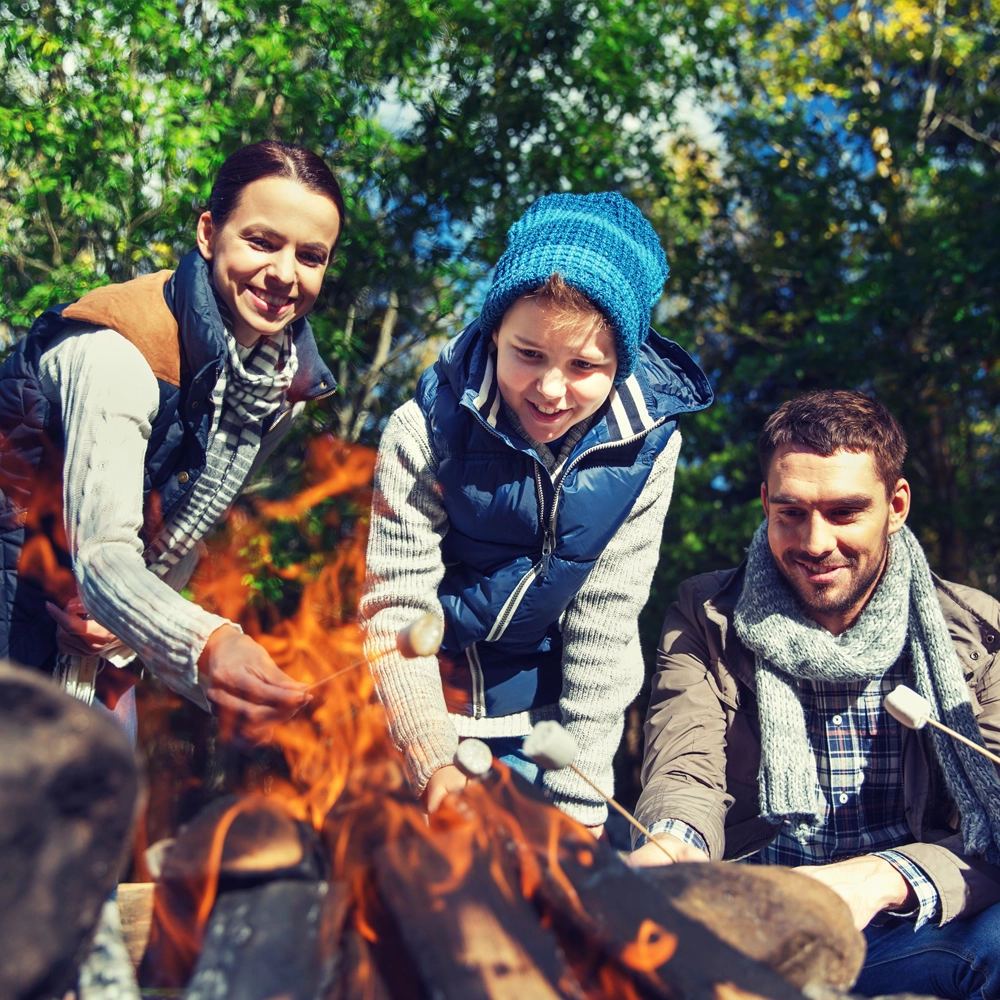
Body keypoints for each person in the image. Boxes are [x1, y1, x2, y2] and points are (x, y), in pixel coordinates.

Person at [360, 192, 713, 835]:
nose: (551, 390)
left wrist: (578, 807)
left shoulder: (648, 449)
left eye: (584, 366)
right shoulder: (423, 430)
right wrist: (434, 763)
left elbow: (605, 625)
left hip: (544, 724)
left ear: (622, 363)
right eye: (528, 354)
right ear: (495, 331)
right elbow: (397, 610)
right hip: (416, 711)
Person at [631, 390, 1000, 999]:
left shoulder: (978, 633)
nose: (815, 542)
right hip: (747, 925)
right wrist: (671, 848)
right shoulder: (705, 615)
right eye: (791, 513)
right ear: (765, 505)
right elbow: (685, 770)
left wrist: (879, 878)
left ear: (896, 504)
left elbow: (992, 831)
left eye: (846, 512)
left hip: (900, 925)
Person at [0, 139, 344, 738]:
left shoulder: (275, 393)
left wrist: (135, 627)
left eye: (310, 256)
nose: (285, 274)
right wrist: (210, 644)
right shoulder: (118, 354)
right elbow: (104, 553)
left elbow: (181, 533)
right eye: (262, 242)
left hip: (96, 655)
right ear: (209, 234)